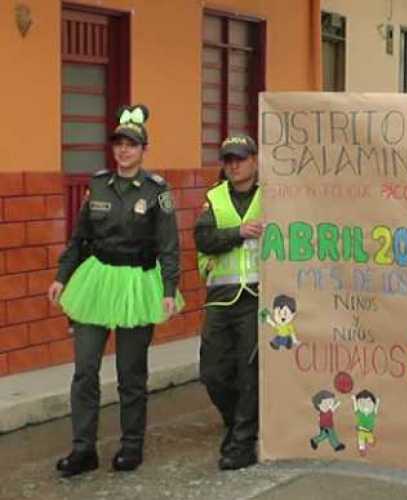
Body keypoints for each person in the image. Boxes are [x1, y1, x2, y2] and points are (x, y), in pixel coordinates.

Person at [48, 104, 181, 477]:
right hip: (97, 281)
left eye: (131, 145)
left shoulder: (157, 191)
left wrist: (169, 287)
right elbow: (78, 238)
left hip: (138, 284)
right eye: (119, 144)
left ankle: (131, 445)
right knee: (85, 369)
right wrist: (62, 275)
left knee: (131, 372)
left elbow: (169, 245)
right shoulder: (97, 185)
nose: (123, 150)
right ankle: (82, 449)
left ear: (143, 150)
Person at [195, 134, 262, 470]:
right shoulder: (214, 197)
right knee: (212, 372)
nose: (234, 165)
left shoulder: (274, 196)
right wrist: (239, 232)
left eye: (240, 158)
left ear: (255, 159)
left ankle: (243, 443)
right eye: (228, 160)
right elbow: (203, 238)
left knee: (249, 371)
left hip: (258, 296)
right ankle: (236, 419)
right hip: (221, 297)